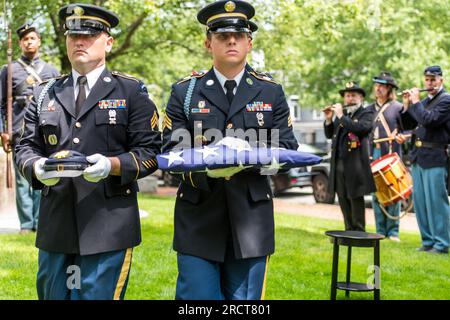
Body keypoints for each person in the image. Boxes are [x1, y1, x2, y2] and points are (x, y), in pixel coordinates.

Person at [15, 3, 161, 299]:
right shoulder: (44, 92)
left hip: (108, 227)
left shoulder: (130, 92)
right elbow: (26, 147)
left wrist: (112, 165)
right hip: (56, 225)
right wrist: (37, 168)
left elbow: (150, 153)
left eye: (89, 35)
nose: (79, 41)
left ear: (108, 42)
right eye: (73, 35)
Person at [162, 0, 298, 300]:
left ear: (249, 42)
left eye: (238, 35)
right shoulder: (185, 92)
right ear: (208, 42)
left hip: (251, 220)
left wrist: (249, 157)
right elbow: (170, 152)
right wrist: (208, 165)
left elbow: (287, 150)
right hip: (198, 216)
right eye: (222, 36)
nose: (231, 40)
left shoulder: (270, 91)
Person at [0, 23, 59, 234]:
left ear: (39, 41)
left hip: (46, 130)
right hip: (18, 130)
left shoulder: (52, 71)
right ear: (20, 43)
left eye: (32, 38)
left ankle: (39, 221)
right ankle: (26, 225)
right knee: (22, 179)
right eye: (25, 39)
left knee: (43, 175)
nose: (29, 42)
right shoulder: (9, 69)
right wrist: (3, 131)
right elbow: (1, 104)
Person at [401, 65, 450, 254]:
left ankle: (442, 243)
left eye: (433, 79)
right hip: (419, 157)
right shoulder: (422, 102)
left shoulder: (446, 100)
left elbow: (429, 120)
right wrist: (407, 105)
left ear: (441, 80)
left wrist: (415, 103)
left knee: (436, 202)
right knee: (421, 202)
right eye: (427, 80)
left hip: (435, 156)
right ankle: (427, 241)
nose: (429, 83)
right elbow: (408, 124)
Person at [323, 81, 375, 231]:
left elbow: (360, 129)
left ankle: (359, 230)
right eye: (347, 96)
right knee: (342, 197)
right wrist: (328, 119)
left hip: (355, 164)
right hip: (339, 163)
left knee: (355, 196)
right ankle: (348, 229)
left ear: (361, 98)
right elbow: (329, 134)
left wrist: (339, 115)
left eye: (353, 95)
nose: (349, 99)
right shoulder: (343, 115)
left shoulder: (366, 113)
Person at [368, 72, 405, 241]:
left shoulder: (398, 108)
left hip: (390, 153)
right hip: (372, 153)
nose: (378, 88)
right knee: (376, 193)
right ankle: (380, 230)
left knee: (393, 192)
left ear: (389, 89)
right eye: (377, 85)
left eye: (382, 86)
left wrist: (401, 135)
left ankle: (393, 232)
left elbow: (408, 130)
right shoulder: (369, 109)